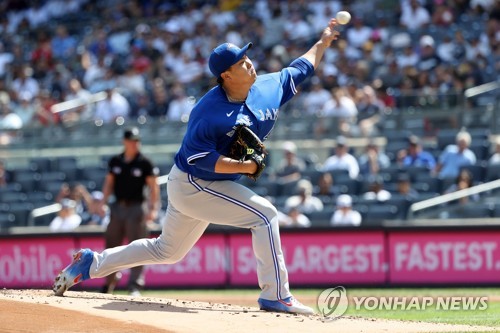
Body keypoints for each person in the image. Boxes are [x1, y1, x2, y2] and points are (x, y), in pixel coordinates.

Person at [53, 18, 342, 315]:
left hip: (199, 184)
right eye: (241, 62)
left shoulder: (267, 86)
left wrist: (322, 41)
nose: (249, 64)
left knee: (166, 251)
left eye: (247, 57)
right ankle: (276, 295)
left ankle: (91, 263)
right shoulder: (208, 112)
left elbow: (301, 67)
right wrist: (246, 167)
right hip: (194, 182)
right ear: (226, 75)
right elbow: (201, 160)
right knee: (265, 215)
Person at [96, 126, 160, 296]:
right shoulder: (115, 161)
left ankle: (135, 285)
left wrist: (153, 209)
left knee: (138, 248)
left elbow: (154, 187)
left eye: (137, 141)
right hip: (117, 207)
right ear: (124, 142)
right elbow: (109, 183)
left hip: (136, 208)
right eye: (131, 140)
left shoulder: (145, 162)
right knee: (110, 246)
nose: (134, 144)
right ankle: (110, 281)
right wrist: (103, 201)